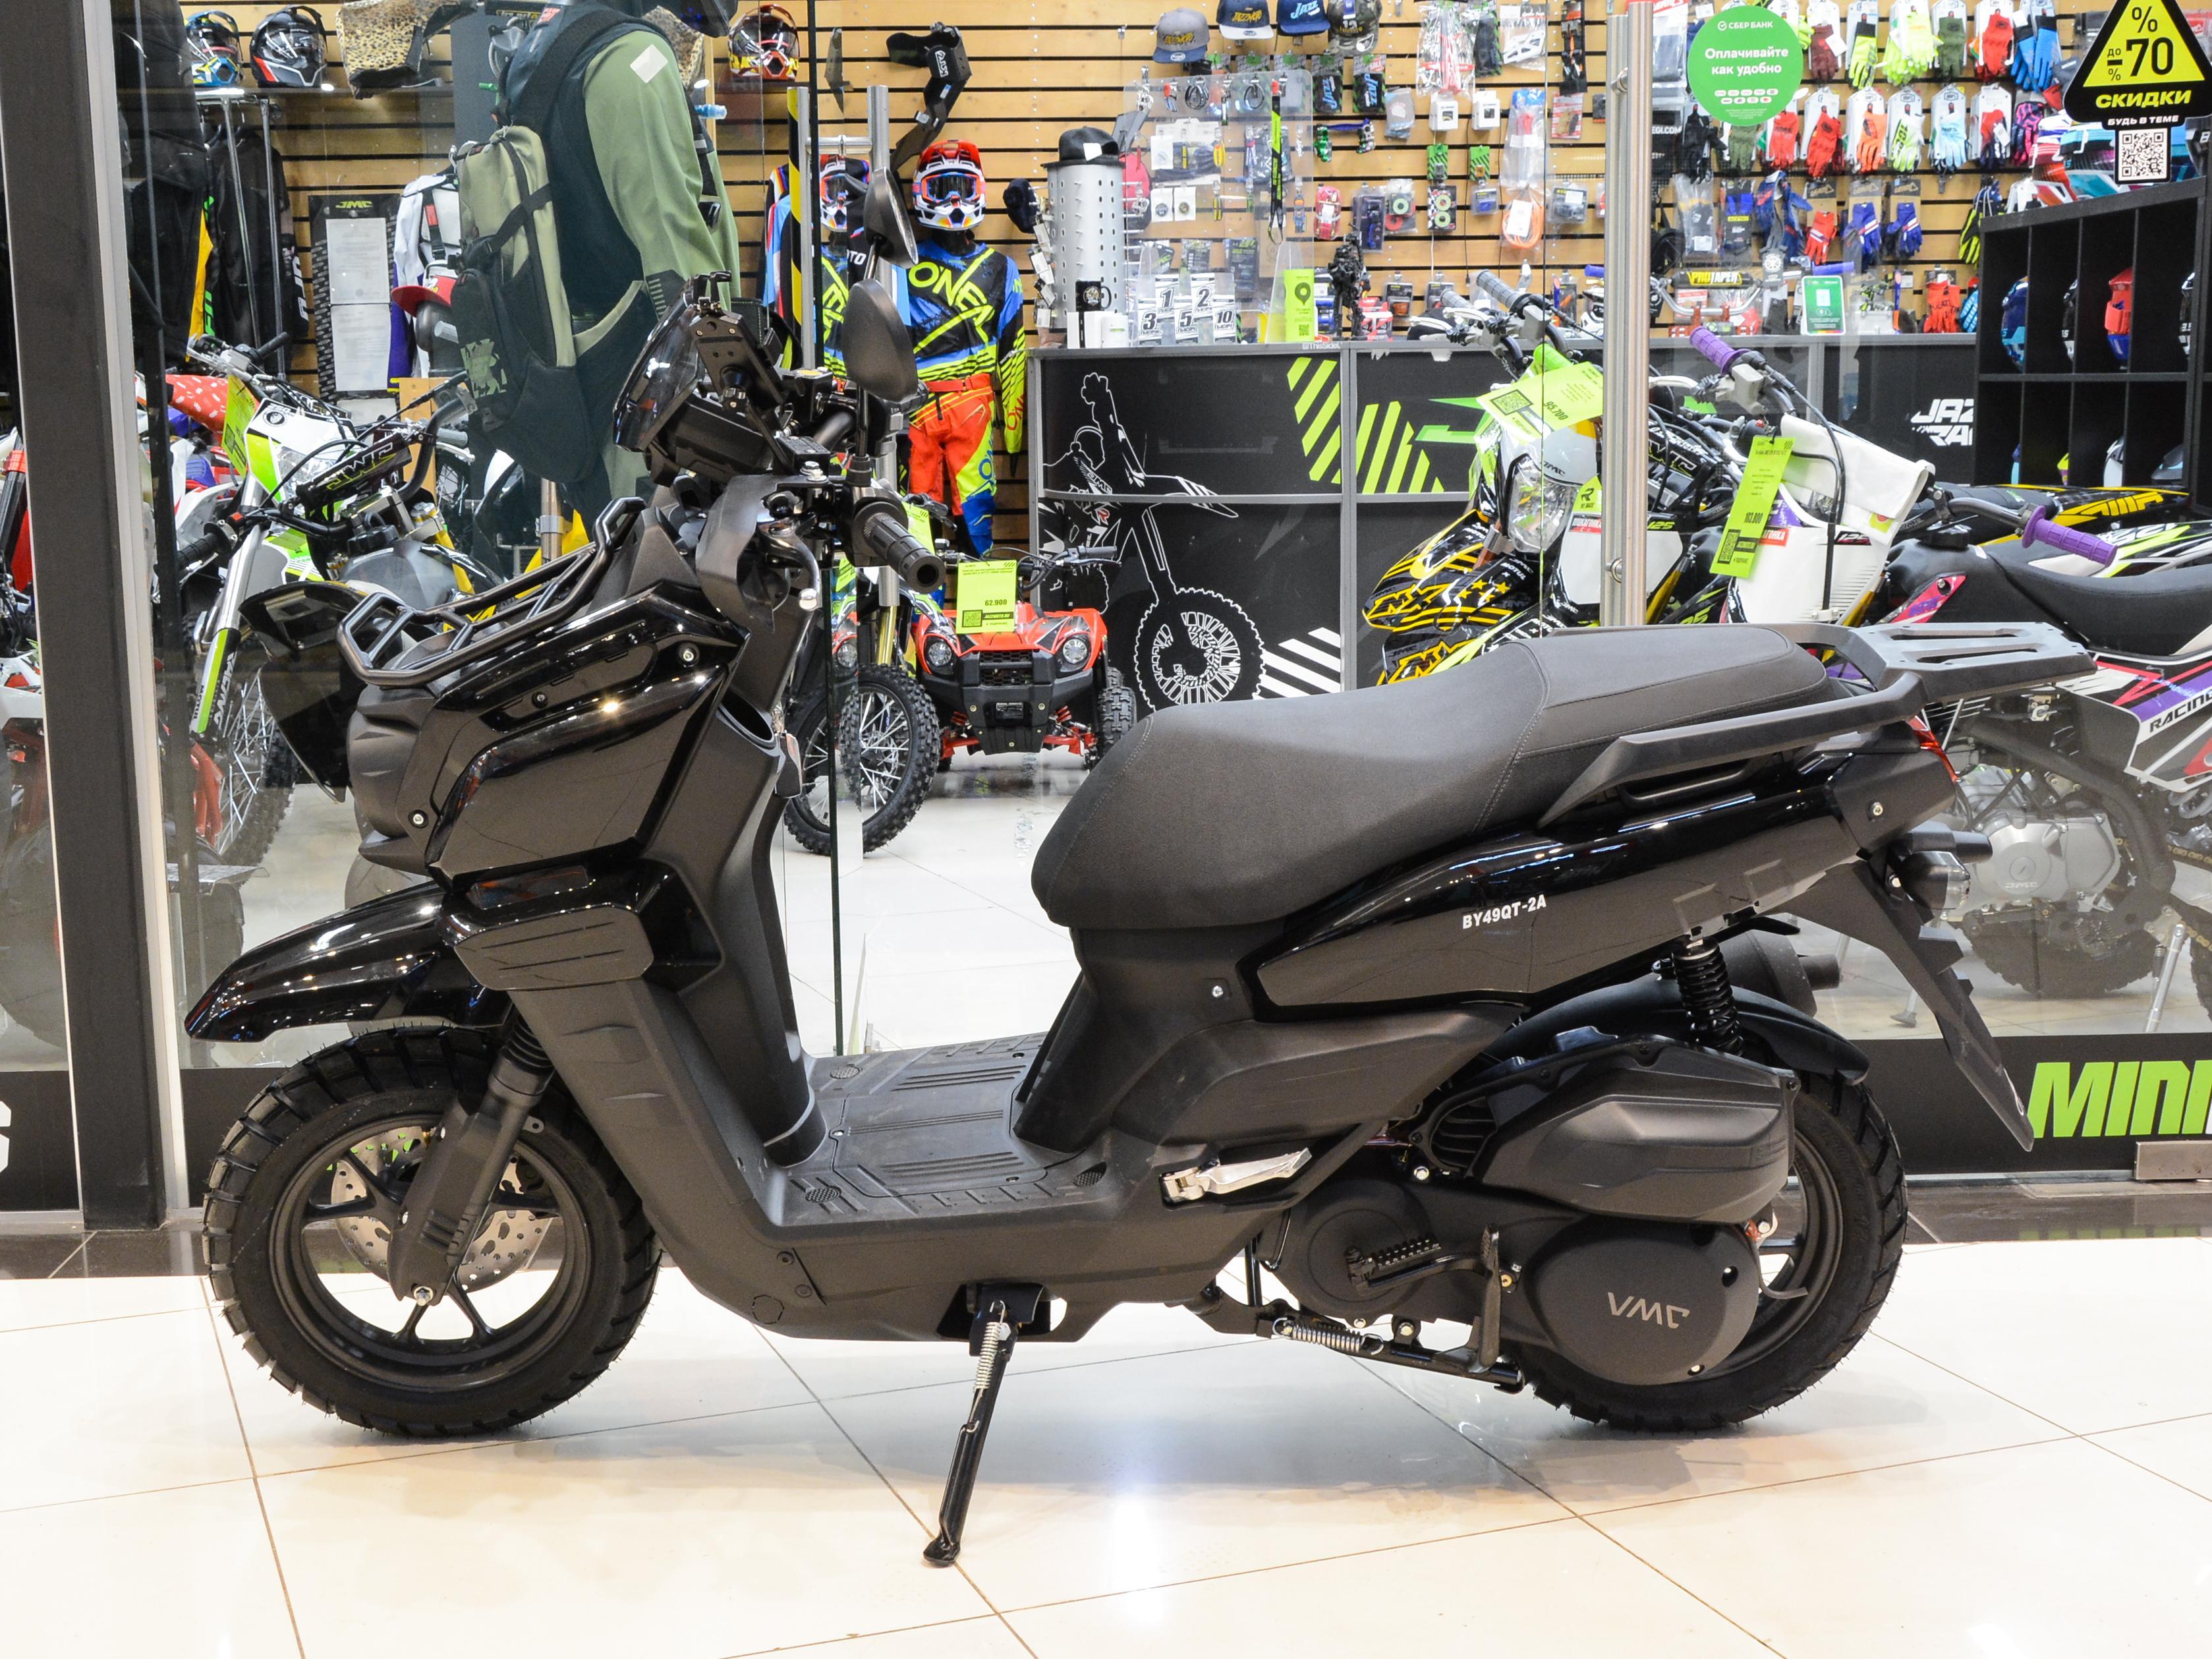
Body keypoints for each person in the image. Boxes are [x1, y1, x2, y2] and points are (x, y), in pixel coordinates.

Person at [497, 0, 743, 517]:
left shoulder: (551, 42)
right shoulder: (630, 55)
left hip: (597, 367)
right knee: (666, 551)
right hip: (652, 384)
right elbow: (669, 240)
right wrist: (725, 376)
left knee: (623, 549)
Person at [899, 138, 1025, 552]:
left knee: (976, 516)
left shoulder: (1001, 268)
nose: (954, 200)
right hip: (915, 406)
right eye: (941, 189)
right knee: (915, 519)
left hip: (972, 404)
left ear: (979, 190)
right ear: (921, 193)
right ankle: (921, 597)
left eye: (964, 188)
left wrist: (1014, 431)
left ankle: (980, 593)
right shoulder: (900, 265)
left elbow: (1012, 350)